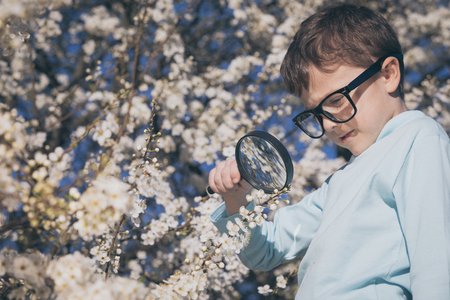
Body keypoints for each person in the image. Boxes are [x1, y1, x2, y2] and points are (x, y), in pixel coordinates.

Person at [208, 3, 450, 299]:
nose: (328, 124)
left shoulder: (418, 139)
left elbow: (436, 266)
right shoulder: (338, 184)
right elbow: (265, 251)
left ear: (388, 74)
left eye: (336, 100)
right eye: (316, 113)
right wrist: (236, 200)